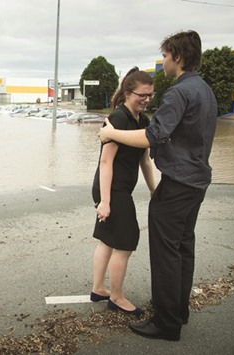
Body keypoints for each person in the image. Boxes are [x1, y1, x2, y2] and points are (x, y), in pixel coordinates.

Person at [98, 30, 218, 341]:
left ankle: (166, 323)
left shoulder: (179, 93)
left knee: (166, 253)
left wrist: (111, 134)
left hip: (177, 184)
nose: (162, 62)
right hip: (197, 182)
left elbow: (153, 137)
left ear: (177, 57)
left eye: (165, 56)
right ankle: (178, 310)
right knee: (183, 248)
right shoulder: (205, 89)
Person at [90, 67, 156, 316]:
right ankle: (116, 297)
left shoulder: (142, 120)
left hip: (119, 189)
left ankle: (98, 288)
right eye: (142, 94)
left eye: (150, 95)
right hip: (112, 190)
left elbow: (145, 161)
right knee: (126, 243)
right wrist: (105, 202)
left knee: (108, 240)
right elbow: (105, 162)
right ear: (128, 93)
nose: (147, 99)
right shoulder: (117, 119)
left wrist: (153, 189)